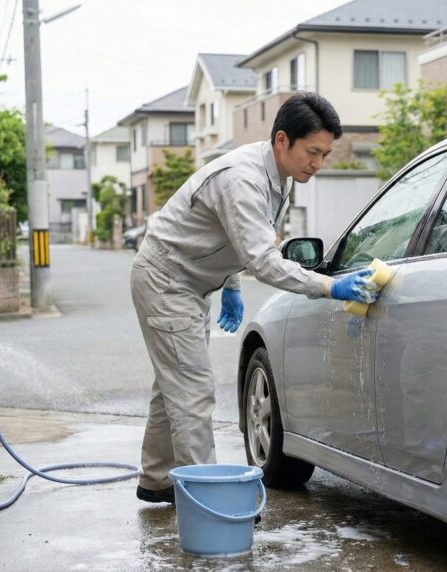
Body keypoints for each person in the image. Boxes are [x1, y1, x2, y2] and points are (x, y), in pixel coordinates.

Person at [129, 93, 375, 503]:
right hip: (166, 279)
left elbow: (235, 238)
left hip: (189, 280)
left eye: (325, 154)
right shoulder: (243, 178)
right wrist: (329, 285)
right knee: (193, 390)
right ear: (282, 140)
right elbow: (262, 259)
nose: (318, 163)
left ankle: (157, 480)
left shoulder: (279, 178)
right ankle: (207, 504)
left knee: (174, 384)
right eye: (312, 152)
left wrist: (231, 285)